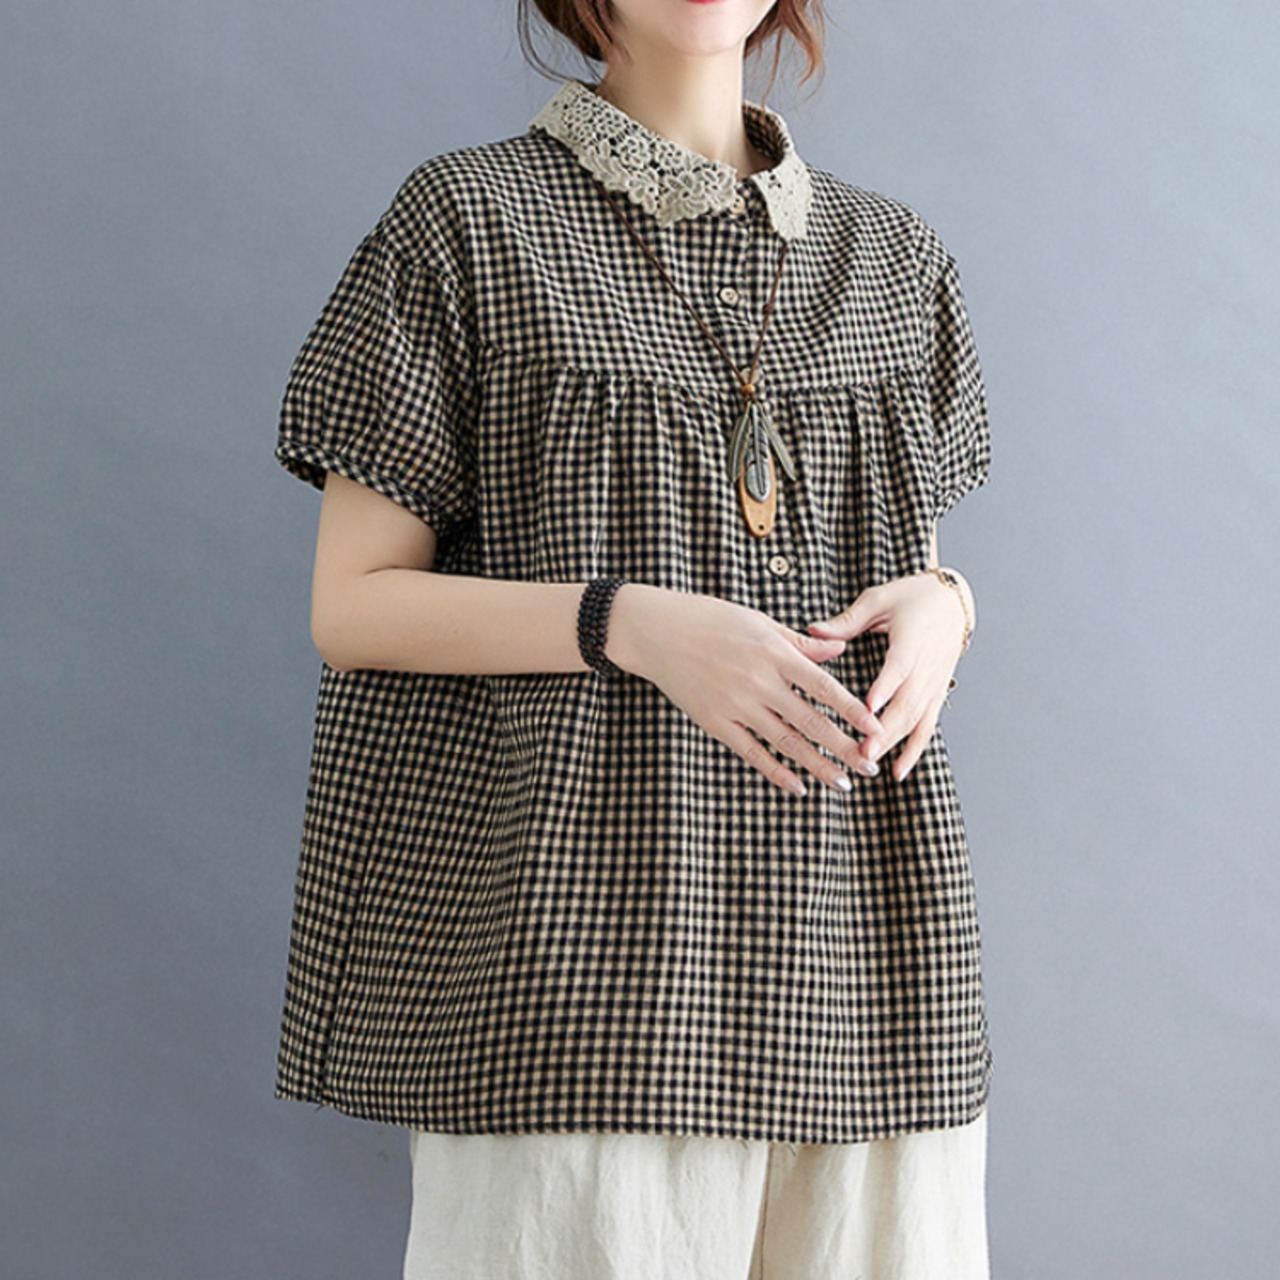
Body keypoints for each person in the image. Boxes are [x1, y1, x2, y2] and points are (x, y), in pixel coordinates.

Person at [272, 1, 994, 1276]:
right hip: (586, 973)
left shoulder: (894, 259)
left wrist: (948, 602)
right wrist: (629, 623)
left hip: (866, 972)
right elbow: (355, 603)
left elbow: (899, 565)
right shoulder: (466, 220)